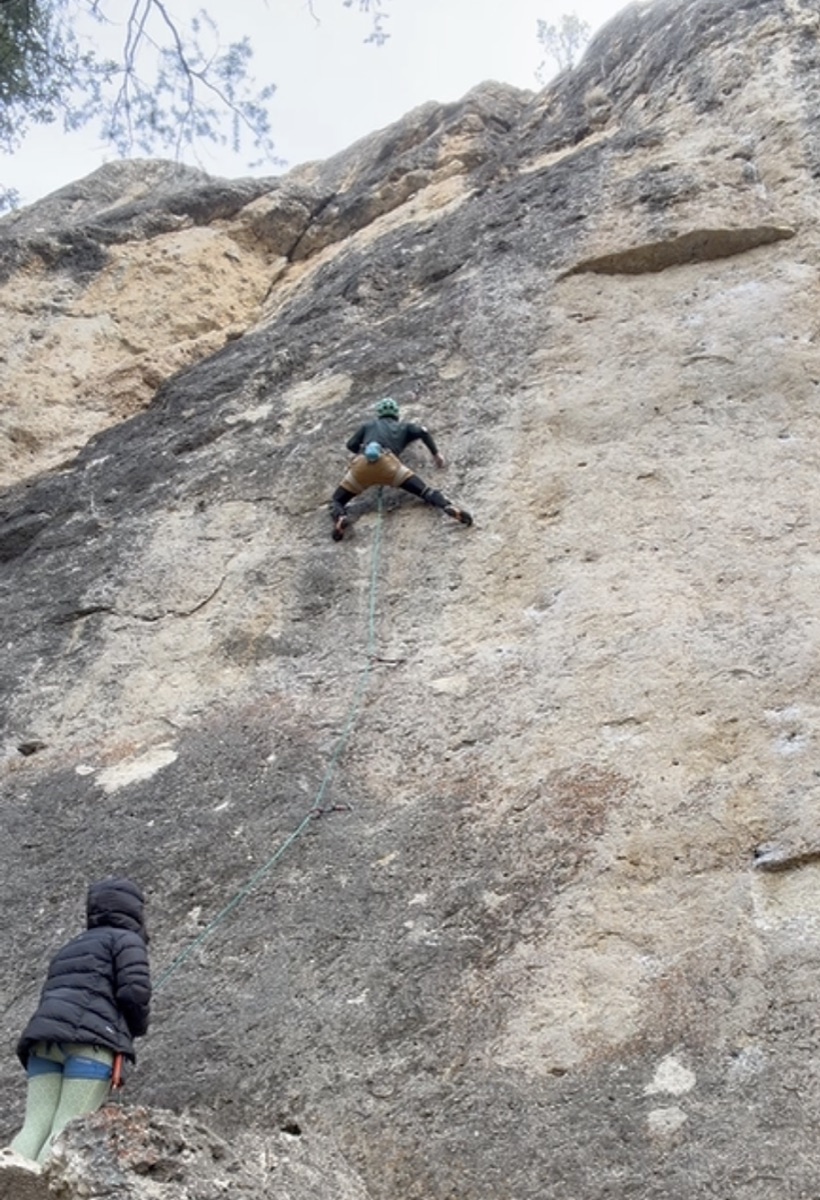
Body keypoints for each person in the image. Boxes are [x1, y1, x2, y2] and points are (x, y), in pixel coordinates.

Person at [9, 876, 151, 1165]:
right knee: (67, 1129)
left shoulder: (70, 947)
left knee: (35, 1125)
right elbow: (134, 991)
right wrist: (136, 1028)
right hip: (91, 1045)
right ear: (133, 909)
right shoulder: (127, 940)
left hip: (43, 1042)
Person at [329, 397, 473, 541]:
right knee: (425, 491)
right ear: (396, 414)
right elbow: (423, 432)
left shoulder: (369, 425)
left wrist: (361, 450)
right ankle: (447, 506)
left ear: (379, 413)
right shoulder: (404, 427)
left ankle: (341, 516)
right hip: (388, 464)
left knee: (337, 500)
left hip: (362, 465)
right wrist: (436, 454)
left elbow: (351, 444)